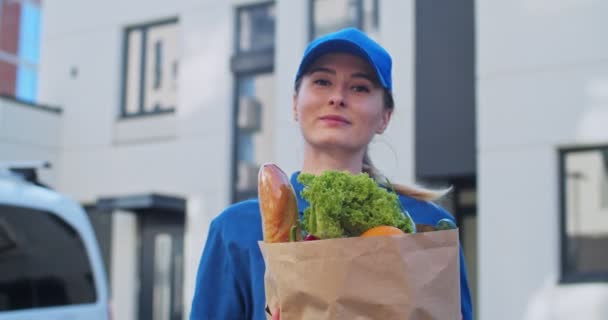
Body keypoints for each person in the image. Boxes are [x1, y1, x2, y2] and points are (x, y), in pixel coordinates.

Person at [190, 27, 473, 320]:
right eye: (322, 81)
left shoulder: (427, 226)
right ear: (294, 104)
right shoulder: (237, 229)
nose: (337, 97)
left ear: (384, 116)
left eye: (360, 87)